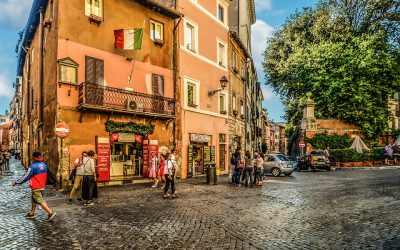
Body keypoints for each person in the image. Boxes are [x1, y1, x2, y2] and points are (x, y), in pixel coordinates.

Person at [12, 151, 57, 221]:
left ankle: (50, 212)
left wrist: (17, 182)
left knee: (39, 200)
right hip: (42, 185)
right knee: (34, 199)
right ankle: (32, 212)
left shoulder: (33, 166)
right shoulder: (44, 165)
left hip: (36, 186)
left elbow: (26, 176)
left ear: (33, 157)